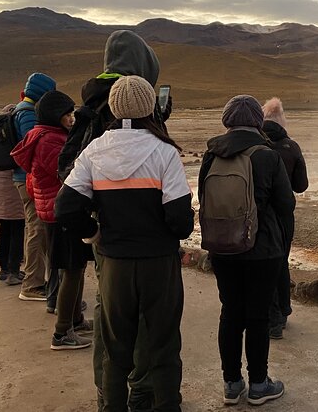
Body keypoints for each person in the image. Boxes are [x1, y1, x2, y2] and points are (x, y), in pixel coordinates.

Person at [55, 75, 193, 411]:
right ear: (151, 106)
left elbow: (65, 207)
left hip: (115, 264)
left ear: (114, 107)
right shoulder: (164, 153)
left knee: (115, 353)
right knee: (163, 347)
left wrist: (93, 234)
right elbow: (180, 222)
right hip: (159, 265)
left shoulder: (95, 151)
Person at [198, 95, 295, 406]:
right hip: (262, 249)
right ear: (257, 121)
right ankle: (258, 384)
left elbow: (203, 197)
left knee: (230, 313)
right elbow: (286, 204)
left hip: (221, 247)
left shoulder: (211, 155)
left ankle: (231, 383)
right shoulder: (267, 155)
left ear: (227, 121)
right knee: (257, 317)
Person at [11, 90, 92, 350]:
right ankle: (62, 332)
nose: (71, 118)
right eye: (67, 114)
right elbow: (68, 172)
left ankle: (75, 320)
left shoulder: (49, 136)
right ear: (55, 116)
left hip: (54, 210)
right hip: (61, 213)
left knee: (76, 268)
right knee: (72, 270)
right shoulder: (50, 141)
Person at [261, 97, 308, 339]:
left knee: (263, 264)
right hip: (284, 215)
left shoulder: (256, 146)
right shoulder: (292, 147)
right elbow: (301, 186)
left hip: (259, 215)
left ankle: (271, 319)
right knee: (281, 263)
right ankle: (283, 312)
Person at [13, 72, 56, 301]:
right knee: (37, 231)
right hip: (29, 180)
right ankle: (32, 284)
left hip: (26, 179)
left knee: (37, 229)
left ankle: (41, 279)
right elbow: (36, 145)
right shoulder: (28, 114)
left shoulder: (22, 110)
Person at [0, 104, 26, 286]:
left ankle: (4, 269)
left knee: (4, 228)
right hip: (13, 183)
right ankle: (13, 271)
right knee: (18, 227)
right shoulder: (14, 135)